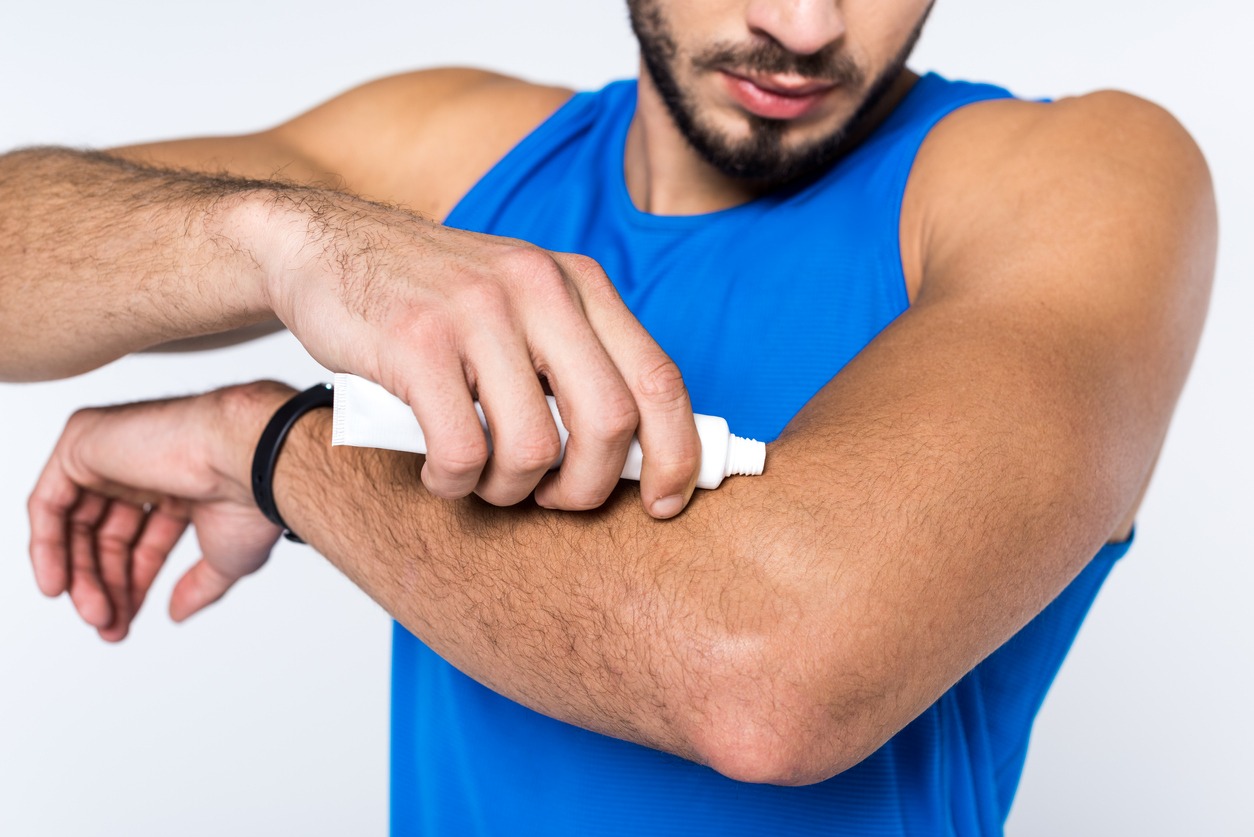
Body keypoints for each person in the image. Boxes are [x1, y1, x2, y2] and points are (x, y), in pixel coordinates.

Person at [3, 0, 1214, 833]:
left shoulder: (1072, 176)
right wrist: (281, 238)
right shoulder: (462, 152)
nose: (803, 28)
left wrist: (271, 450)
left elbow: (771, 676)